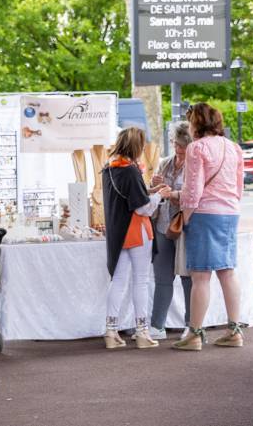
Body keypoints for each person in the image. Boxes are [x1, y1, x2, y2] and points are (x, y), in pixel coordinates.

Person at [173, 103, 246, 351]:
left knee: (201, 277)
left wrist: (186, 217)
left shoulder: (197, 148)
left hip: (205, 214)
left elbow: (193, 191)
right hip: (230, 212)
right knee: (228, 272)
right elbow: (239, 187)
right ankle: (234, 329)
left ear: (197, 123)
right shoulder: (233, 147)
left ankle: (194, 334)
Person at [101, 127, 167, 349]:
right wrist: (160, 195)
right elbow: (143, 209)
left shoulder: (109, 169)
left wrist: (149, 190)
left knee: (117, 281)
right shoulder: (131, 171)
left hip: (117, 233)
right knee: (141, 281)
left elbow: (127, 198)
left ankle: (110, 331)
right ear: (137, 147)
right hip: (137, 232)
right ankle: (142, 332)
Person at [151, 121, 194, 340]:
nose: (178, 149)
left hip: (185, 226)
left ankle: (191, 324)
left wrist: (173, 193)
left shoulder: (195, 166)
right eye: (176, 143)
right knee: (162, 277)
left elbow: (194, 195)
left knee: (187, 277)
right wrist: (155, 185)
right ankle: (156, 325)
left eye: (183, 145)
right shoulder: (165, 163)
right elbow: (153, 192)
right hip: (162, 225)